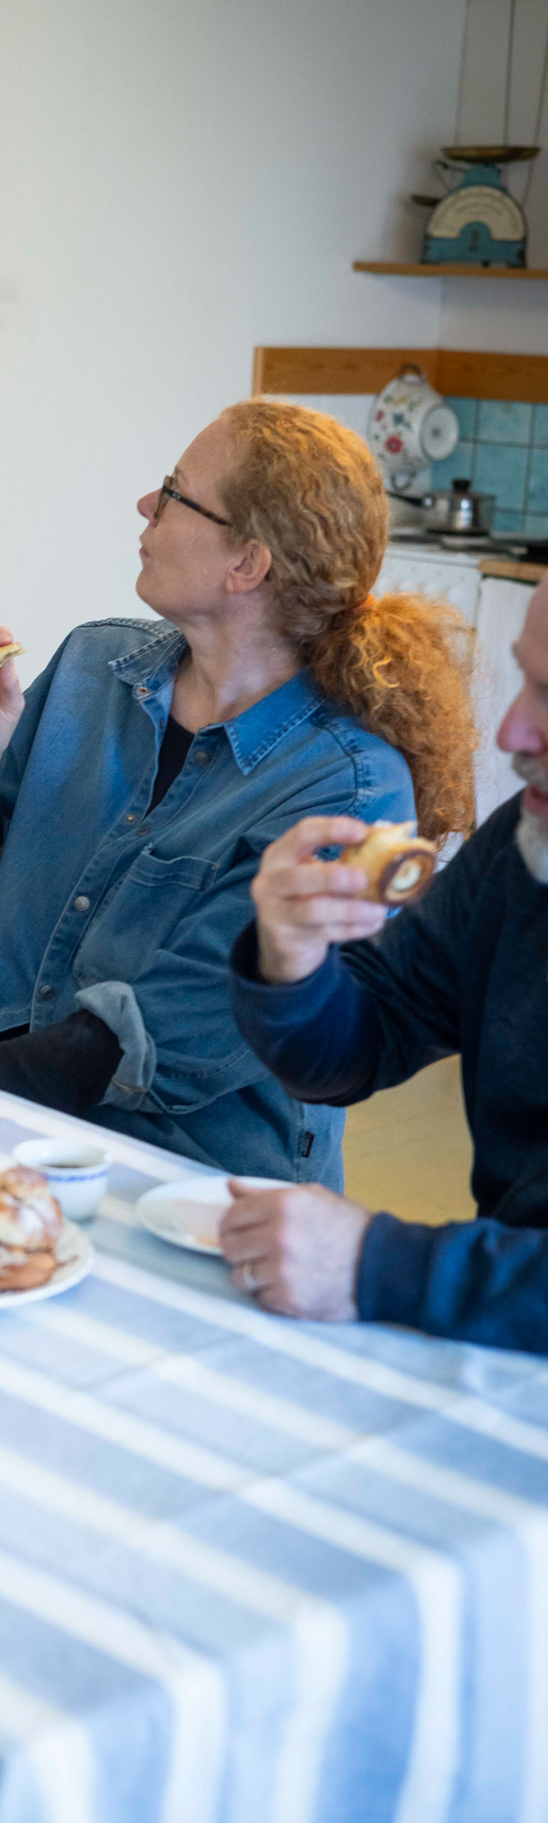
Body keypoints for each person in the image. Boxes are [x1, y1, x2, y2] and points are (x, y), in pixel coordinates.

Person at [0, 399, 477, 1183]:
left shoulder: (347, 784)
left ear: (248, 563)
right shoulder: (90, 665)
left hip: (179, 1169)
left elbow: (162, 1035)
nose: (147, 505)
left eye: (174, 492)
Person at [219, 573, 548, 1349]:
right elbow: (359, 1046)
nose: (510, 734)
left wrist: (377, 1264)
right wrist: (293, 964)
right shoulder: (521, 850)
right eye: (527, 681)